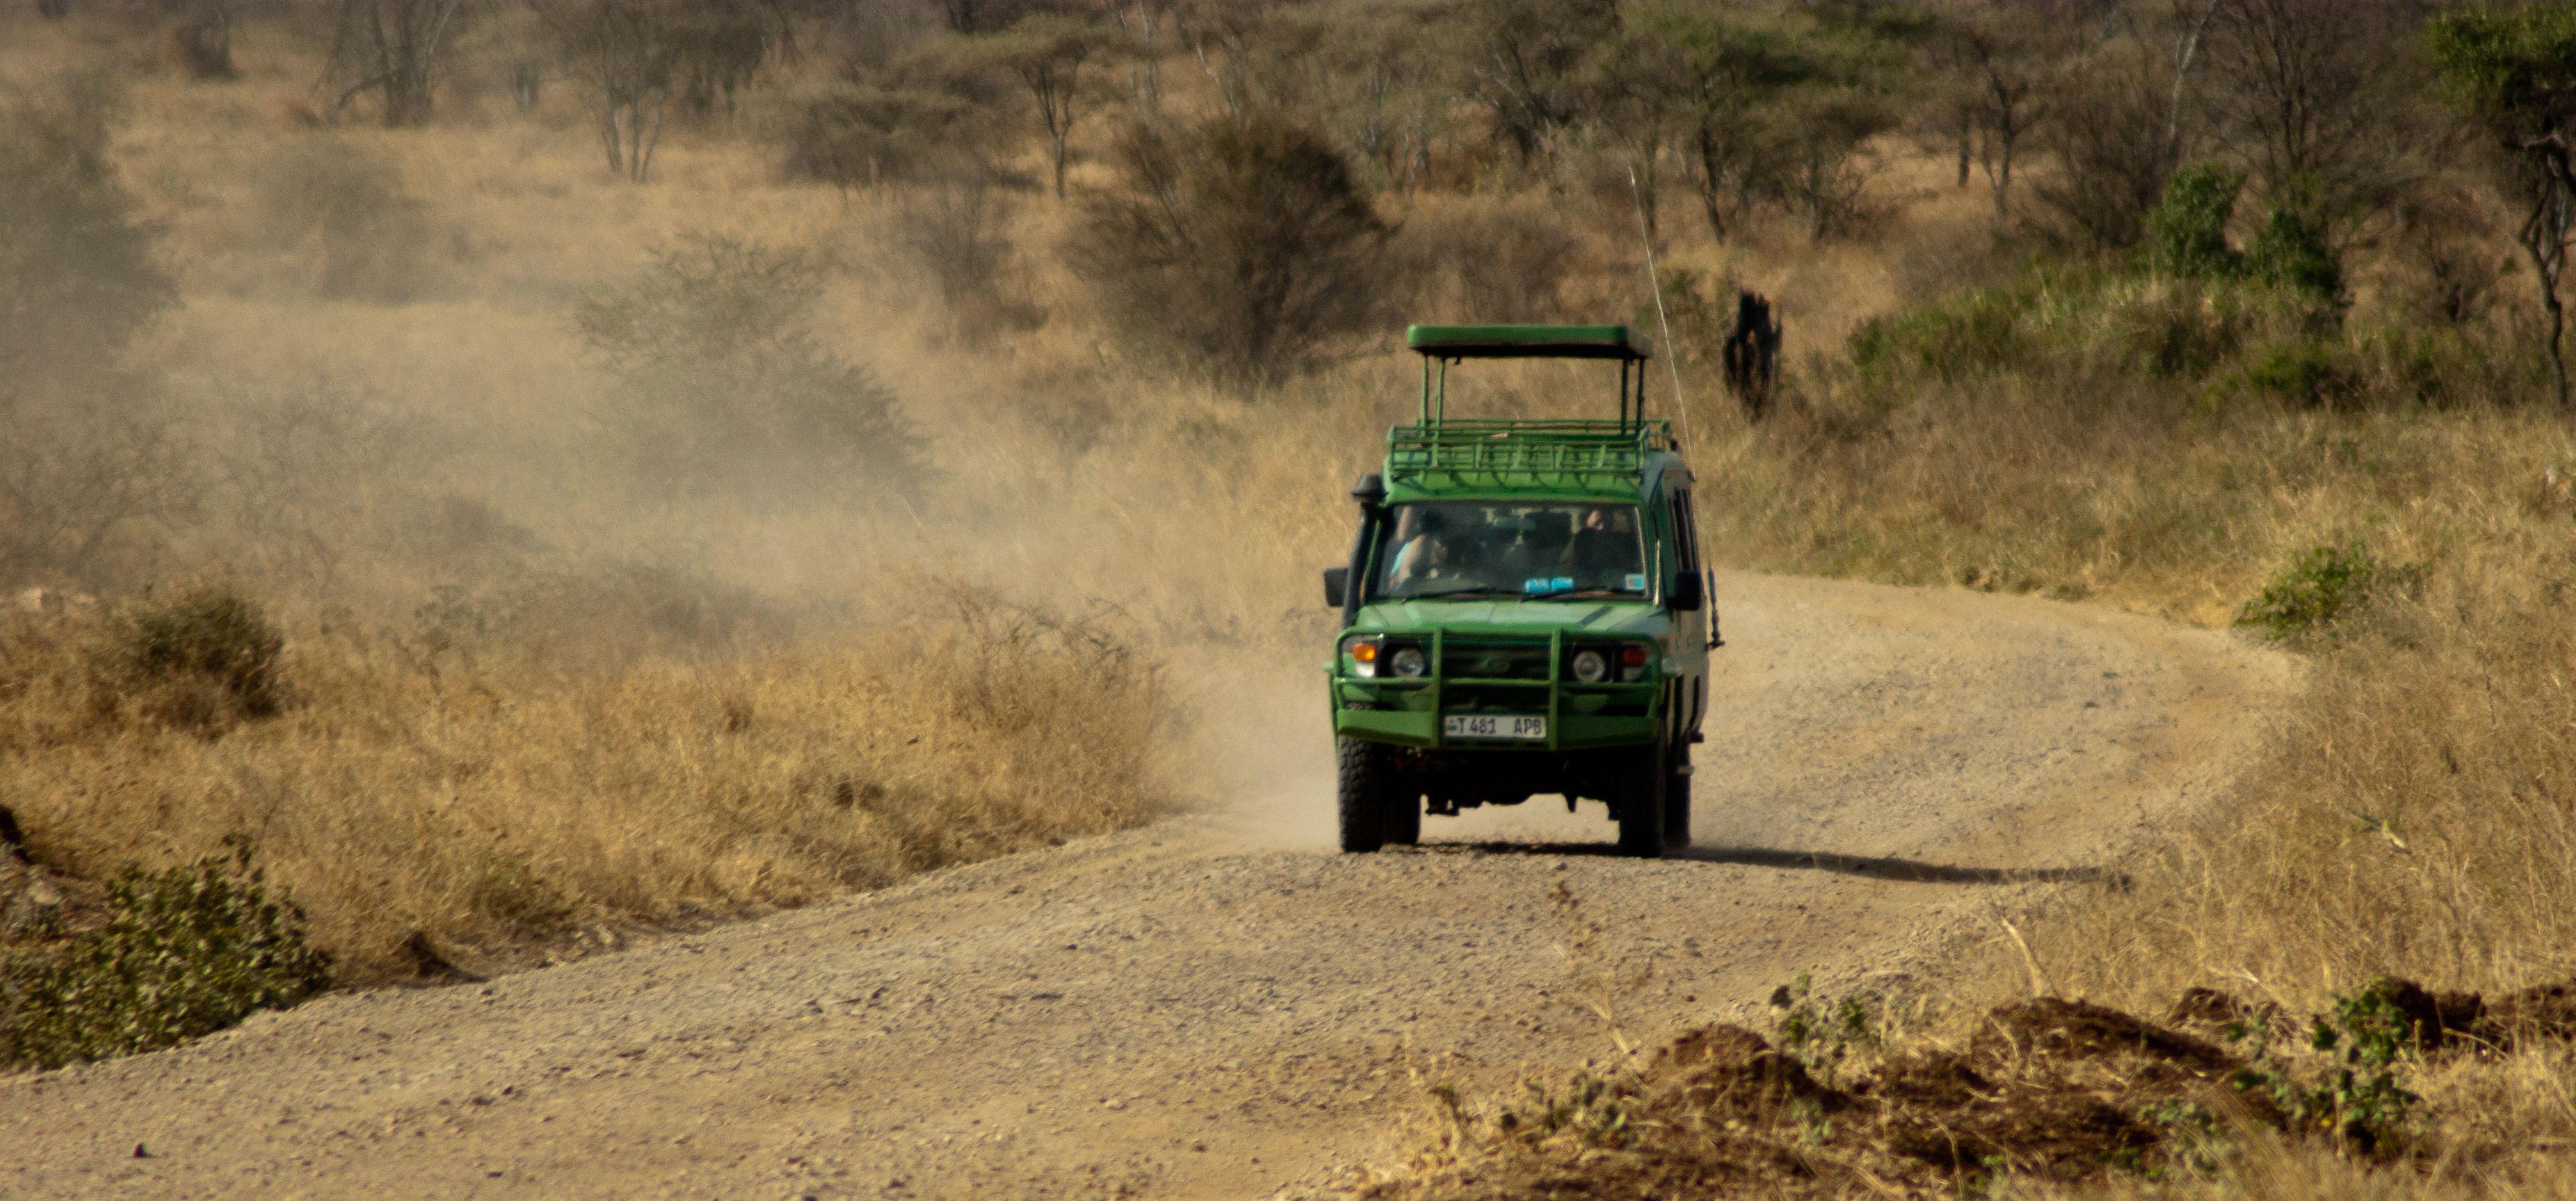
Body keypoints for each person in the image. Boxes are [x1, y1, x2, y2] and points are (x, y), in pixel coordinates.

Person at [1560, 506, 1638, 588]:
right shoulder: (1576, 543)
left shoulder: (1620, 542)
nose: (1602, 527)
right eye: (1597, 523)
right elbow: (1565, 571)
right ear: (1585, 522)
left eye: (1607, 522)